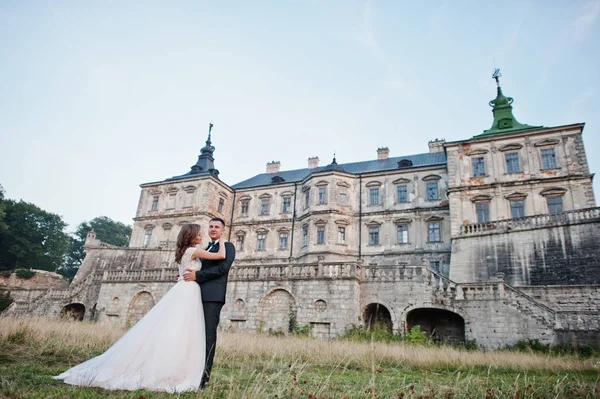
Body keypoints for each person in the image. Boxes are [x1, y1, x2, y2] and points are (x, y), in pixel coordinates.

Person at [53, 223, 225, 393]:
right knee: (182, 329)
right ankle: (178, 368)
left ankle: (171, 366)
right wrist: (223, 238)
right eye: (199, 234)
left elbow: (184, 269)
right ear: (191, 236)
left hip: (184, 289)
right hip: (188, 291)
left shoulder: (183, 252)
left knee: (173, 328)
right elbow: (220, 256)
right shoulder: (193, 251)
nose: (202, 236)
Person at [183, 217, 236, 389]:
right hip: (197, 294)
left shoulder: (228, 247)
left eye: (217, 227)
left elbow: (222, 269)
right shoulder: (206, 248)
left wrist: (197, 276)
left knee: (208, 335)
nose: (213, 229)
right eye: (211, 226)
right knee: (196, 334)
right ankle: (192, 371)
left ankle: (204, 376)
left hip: (212, 296)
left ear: (223, 230)